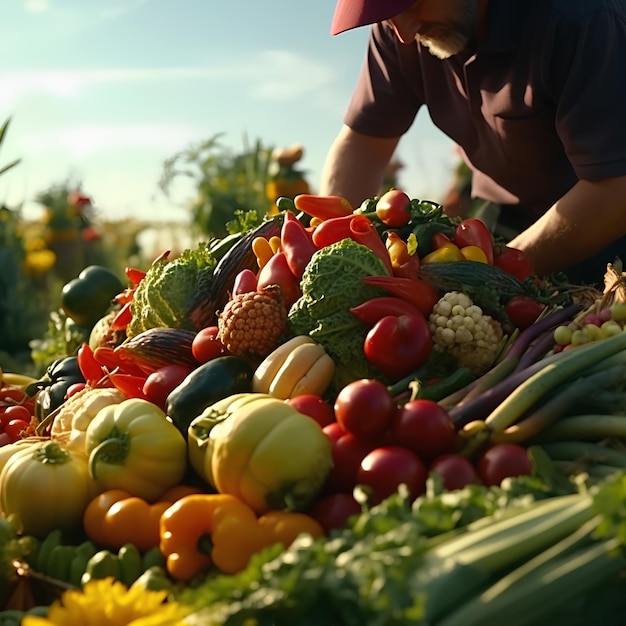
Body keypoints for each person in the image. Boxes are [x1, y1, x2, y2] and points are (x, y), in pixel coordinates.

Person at [320, 0, 626, 286]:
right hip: (506, 221)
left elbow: (616, 189)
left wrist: (490, 277)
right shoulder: (402, 29)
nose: (404, 33)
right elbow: (363, 144)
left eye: (412, 2)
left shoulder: (582, 18)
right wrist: (332, 253)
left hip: (607, 230)